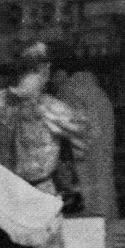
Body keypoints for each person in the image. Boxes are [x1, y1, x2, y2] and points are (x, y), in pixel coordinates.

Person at [0, 42, 86, 248]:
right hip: (37, 195)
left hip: (5, 196)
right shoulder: (52, 108)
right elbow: (86, 141)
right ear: (45, 70)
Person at [50, 51, 118, 221]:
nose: (50, 83)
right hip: (102, 178)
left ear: (61, 73)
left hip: (81, 184)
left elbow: (67, 144)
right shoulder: (100, 95)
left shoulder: (68, 92)